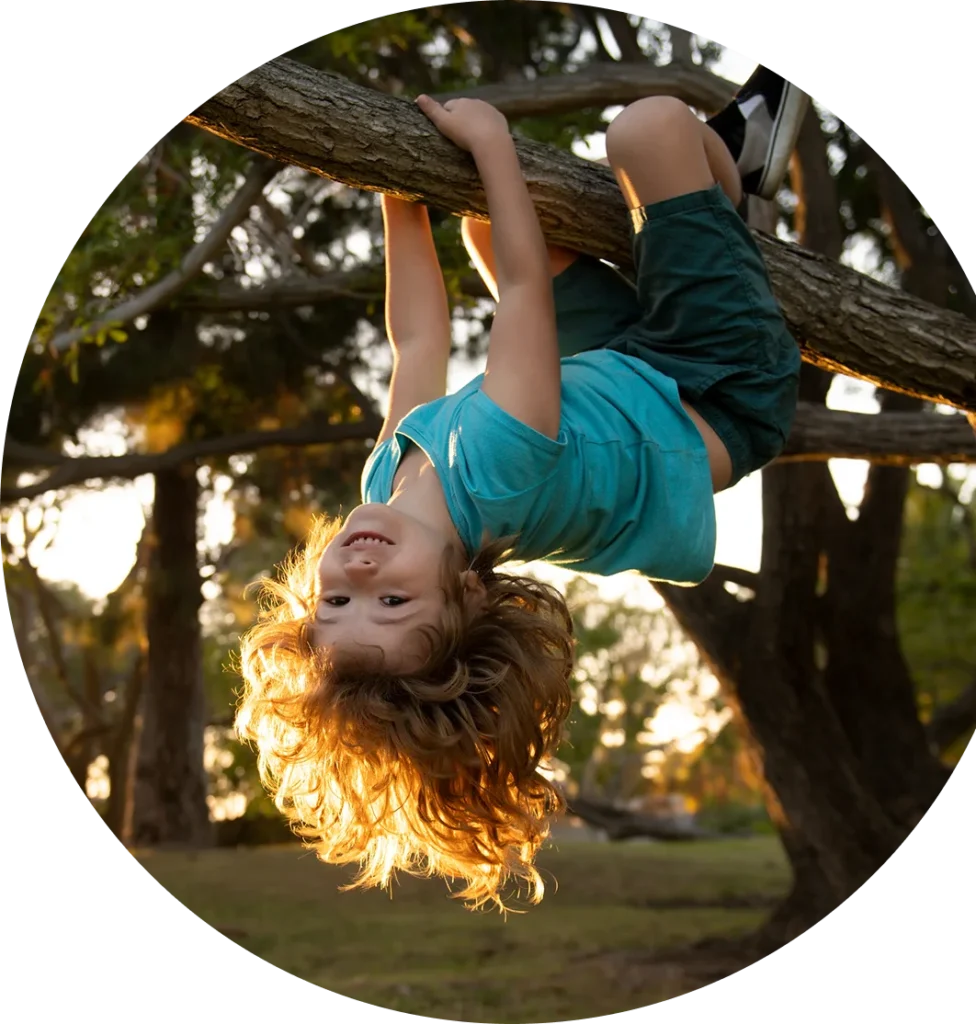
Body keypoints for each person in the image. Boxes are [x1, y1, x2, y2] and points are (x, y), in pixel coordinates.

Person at [235, 63, 806, 912]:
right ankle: (734, 166)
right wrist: (491, 144)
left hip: (615, 373)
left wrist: (398, 197)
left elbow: (418, 338)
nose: (355, 581)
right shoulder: (500, 472)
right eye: (392, 606)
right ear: (465, 591)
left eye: (335, 609)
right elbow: (527, 291)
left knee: (479, 231)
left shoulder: (387, 484)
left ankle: (689, 218)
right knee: (646, 130)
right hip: (716, 388)